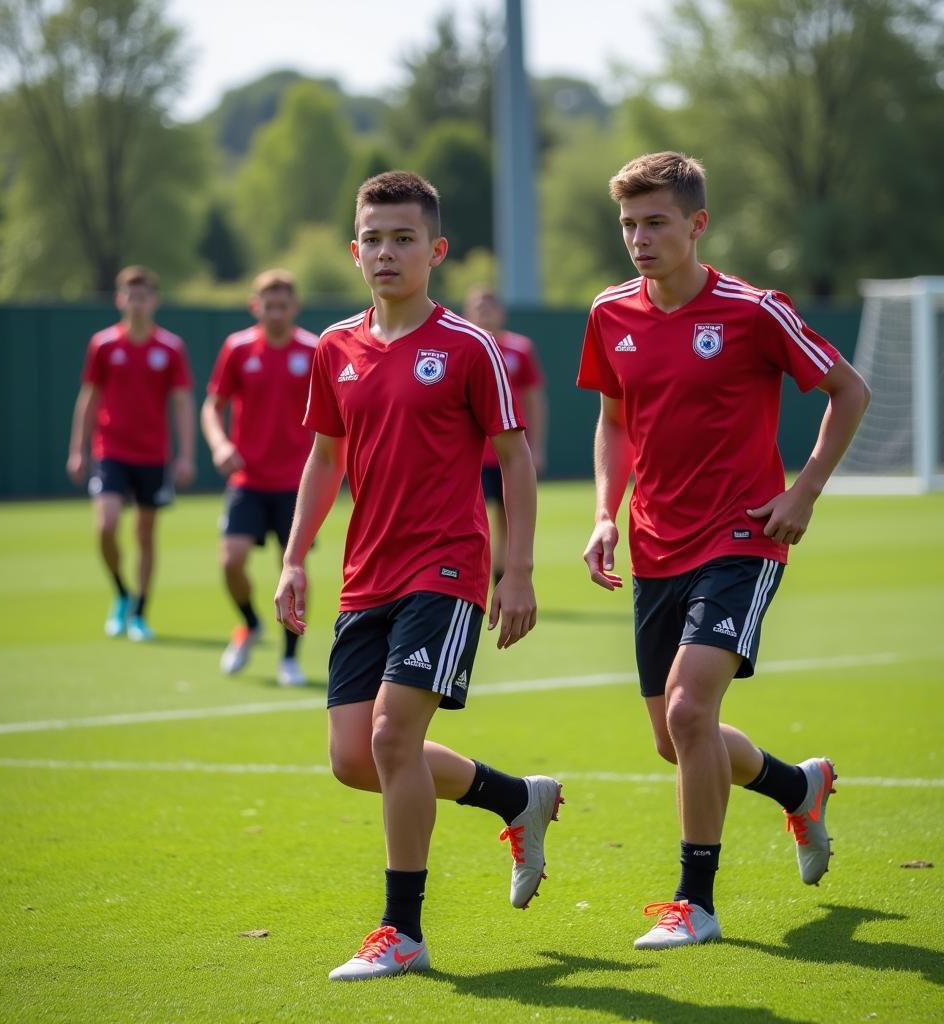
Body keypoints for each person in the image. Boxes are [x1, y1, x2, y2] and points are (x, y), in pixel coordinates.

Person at [274, 171, 562, 982]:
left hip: (447, 565)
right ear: (353, 250)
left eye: (404, 238)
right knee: (353, 759)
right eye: (373, 238)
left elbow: (515, 457)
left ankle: (402, 931)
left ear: (435, 250)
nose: (386, 252)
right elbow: (326, 458)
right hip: (367, 575)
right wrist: (297, 556)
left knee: (394, 737)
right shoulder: (334, 347)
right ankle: (515, 799)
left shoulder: (469, 346)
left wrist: (518, 570)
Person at [577, 152, 870, 949]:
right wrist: (607, 513)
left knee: (689, 708)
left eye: (656, 223)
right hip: (653, 543)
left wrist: (803, 489)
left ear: (696, 225)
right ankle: (796, 786)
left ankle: (694, 902)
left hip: (743, 537)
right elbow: (613, 419)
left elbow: (850, 391)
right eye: (630, 224)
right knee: (676, 739)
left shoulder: (753, 310)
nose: (639, 238)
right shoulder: (610, 314)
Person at [201, 270, 319, 686]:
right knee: (231, 561)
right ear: (256, 306)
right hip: (248, 480)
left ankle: (290, 657)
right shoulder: (237, 348)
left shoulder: (314, 349)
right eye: (268, 305)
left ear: (295, 308)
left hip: (297, 483)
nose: (275, 313)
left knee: (293, 571)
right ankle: (250, 624)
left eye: (283, 305)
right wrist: (220, 445)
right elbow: (211, 406)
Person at [67, 265, 195, 642]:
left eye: (144, 296)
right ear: (119, 299)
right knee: (105, 526)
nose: (137, 303)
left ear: (154, 301)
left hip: (153, 455)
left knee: (145, 534)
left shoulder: (170, 348)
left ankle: (139, 612)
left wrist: (186, 454)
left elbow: (183, 402)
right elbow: (89, 398)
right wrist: (78, 449)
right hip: (111, 451)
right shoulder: (103, 344)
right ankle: (122, 594)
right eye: (130, 296)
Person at [464, 286, 548, 586]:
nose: (484, 312)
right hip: (470, 454)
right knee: (471, 519)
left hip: (507, 452)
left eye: (489, 305)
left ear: (501, 312)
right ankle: (471, 576)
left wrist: (536, 447)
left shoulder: (518, 349)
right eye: (477, 306)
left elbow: (534, 400)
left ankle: (504, 577)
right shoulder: (462, 348)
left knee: (507, 516)